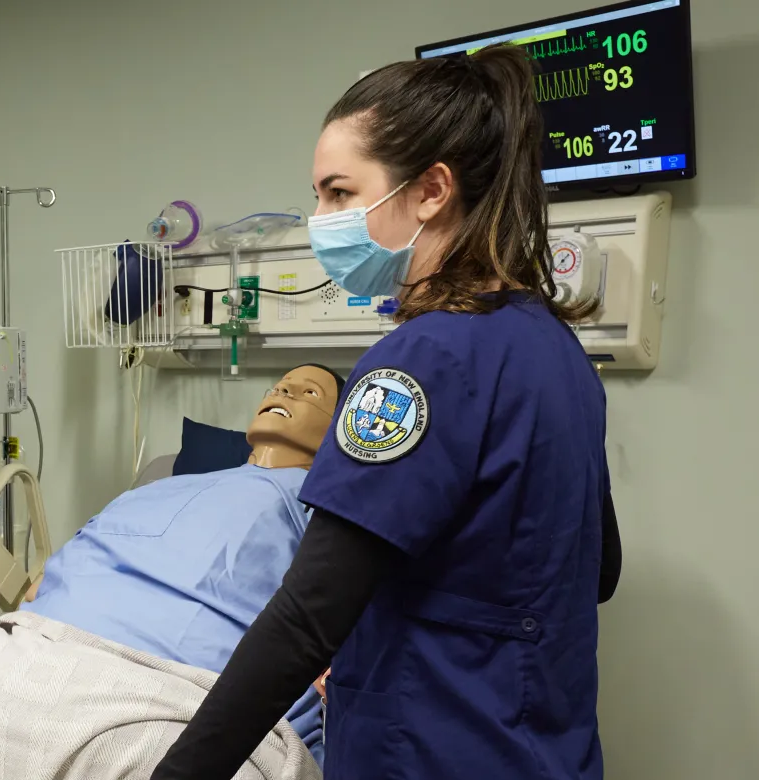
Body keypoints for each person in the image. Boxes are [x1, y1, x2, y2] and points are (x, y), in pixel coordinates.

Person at [152, 46, 622, 780]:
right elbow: (597, 569)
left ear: (432, 189)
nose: (320, 220)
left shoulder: (423, 359)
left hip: (433, 748)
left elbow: (308, 617)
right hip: (539, 749)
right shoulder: (555, 349)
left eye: (340, 193)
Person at [21, 365, 347, 765]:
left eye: (309, 393)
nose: (283, 394)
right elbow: (41, 586)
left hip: (170, 698)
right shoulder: (159, 487)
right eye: (279, 387)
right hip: (37, 653)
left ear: (342, 430)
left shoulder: (325, 508)